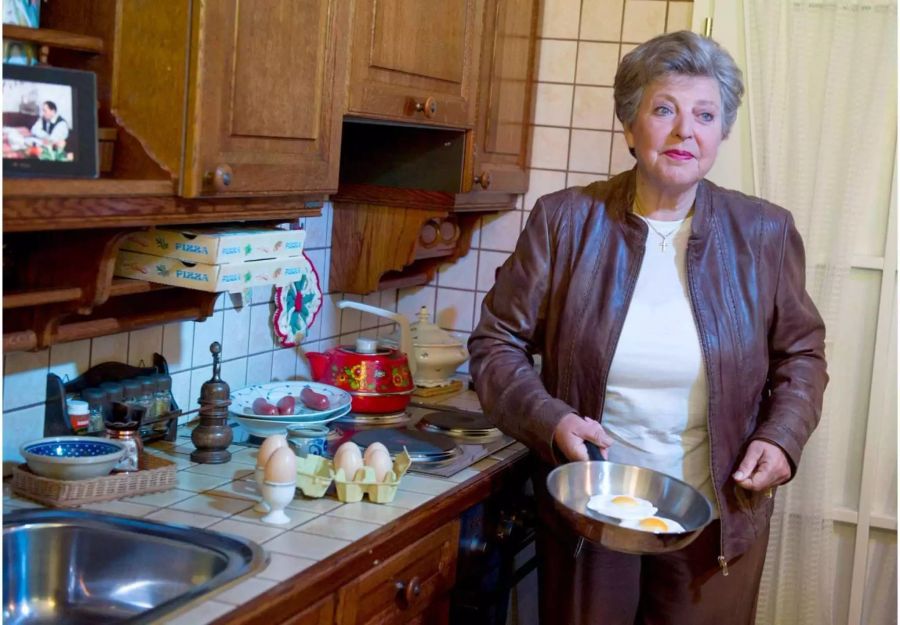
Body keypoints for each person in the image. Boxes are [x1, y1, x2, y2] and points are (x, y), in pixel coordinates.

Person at [467, 30, 827, 625]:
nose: (687, 131)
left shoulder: (764, 233)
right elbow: (495, 343)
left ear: (722, 132)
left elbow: (802, 355)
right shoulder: (565, 222)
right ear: (630, 125)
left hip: (716, 518)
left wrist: (781, 436)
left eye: (706, 115)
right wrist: (550, 419)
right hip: (594, 508)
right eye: (665, 110)